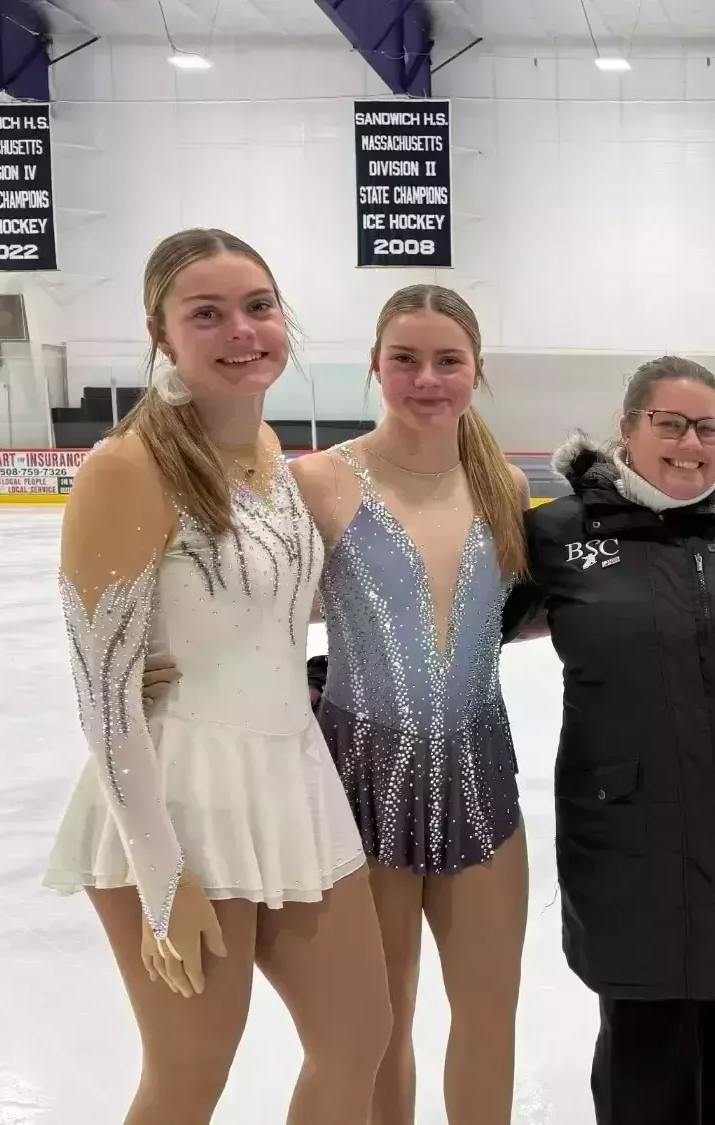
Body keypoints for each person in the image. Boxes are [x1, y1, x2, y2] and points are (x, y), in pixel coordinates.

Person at [42, 228, 390, 1124]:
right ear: (161, 334)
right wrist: (162, 877)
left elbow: (264, 611)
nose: (242, 330)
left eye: (258, 306)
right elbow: (103, 698)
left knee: (357, 1038)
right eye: (207, 314)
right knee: (191, 1070)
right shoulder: (128, 469)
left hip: (294, 778)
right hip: (177, 795)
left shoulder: (271, 451)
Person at [520, 356, 715, 1125]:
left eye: (707, 427)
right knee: (642, 1070)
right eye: (670, 423)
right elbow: (458, 627)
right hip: (626, 846)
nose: (691, 443)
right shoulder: (559, 534)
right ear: (628, 428)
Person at [292, 284, 531, 1125]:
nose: (427, 378)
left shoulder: (503, 484)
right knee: (377, 1026)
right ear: (375, 365)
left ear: (476, 370)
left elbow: (521, 611)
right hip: (361, 784)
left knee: (489, 1015)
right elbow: (253, 609)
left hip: (482, 780)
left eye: (447, 360)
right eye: (405, 359)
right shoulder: (319, 481)